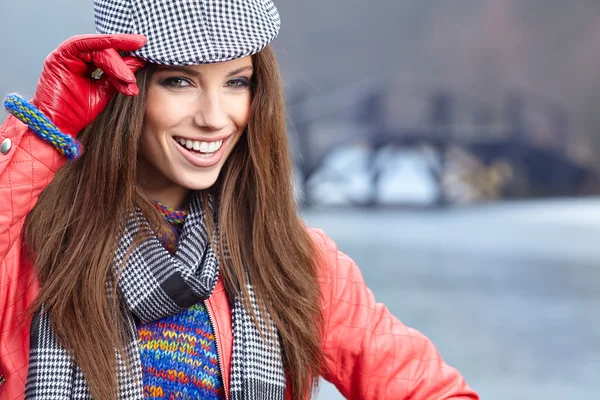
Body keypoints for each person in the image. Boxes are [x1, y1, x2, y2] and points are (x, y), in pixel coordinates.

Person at [0, 0, 480, 399]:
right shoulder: (31, 244)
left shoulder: (292, 261)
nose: (214, 117)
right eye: (179, 81)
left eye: (237, 82)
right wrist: (47, 129)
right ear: (127, 89)